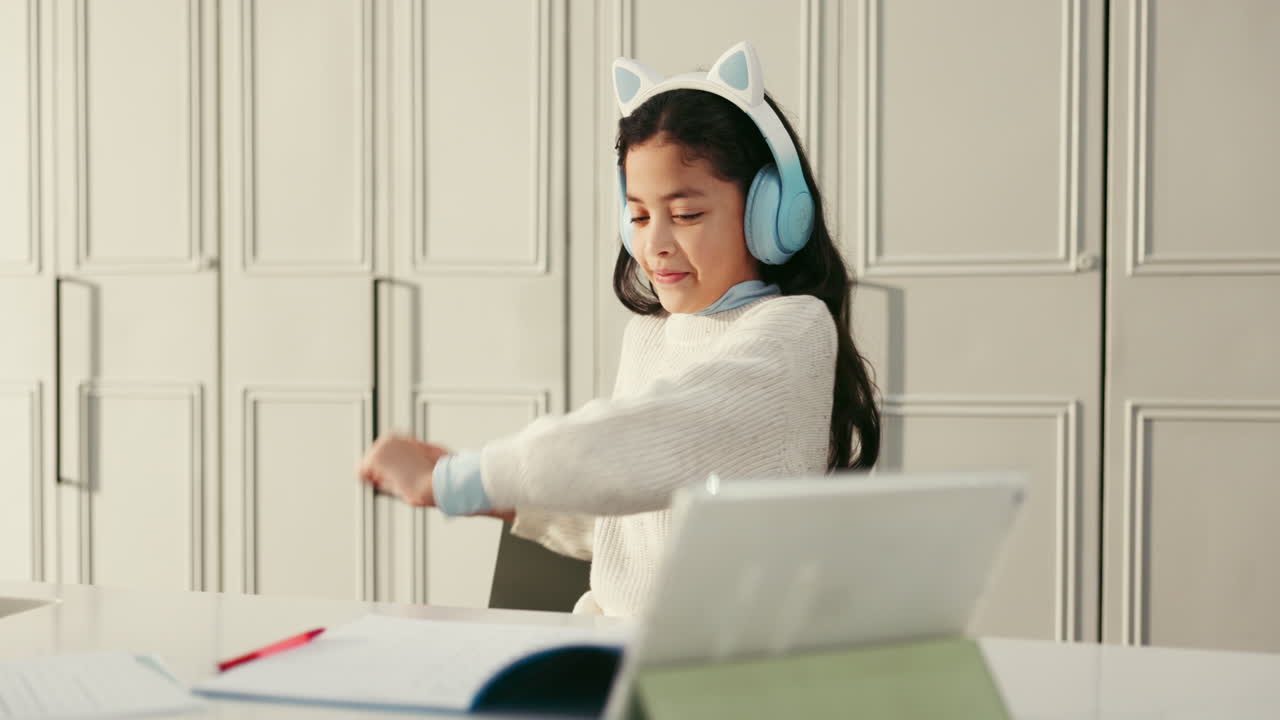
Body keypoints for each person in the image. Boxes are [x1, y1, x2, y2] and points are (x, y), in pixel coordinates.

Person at [357, 41, 880, 617]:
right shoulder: (651, 336)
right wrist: (506, 500)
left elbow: (654, 439)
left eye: (685, 215)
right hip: (614, 647)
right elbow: (636, 520)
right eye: (638, 214)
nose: (654, 243)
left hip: (718, 670)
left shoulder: (792, 330)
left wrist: (463, 478)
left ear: (773, 211)